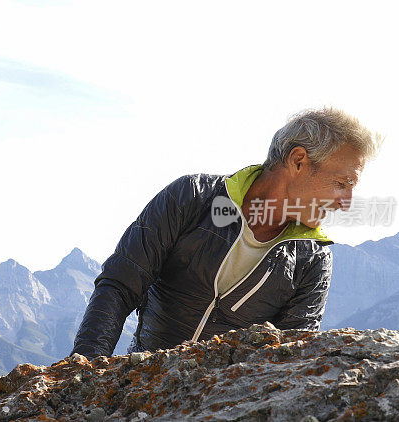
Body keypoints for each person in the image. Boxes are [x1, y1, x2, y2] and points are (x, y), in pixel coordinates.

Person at [71, 108, 381, 358]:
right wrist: (86, 372)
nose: (346, 203)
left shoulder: (313, 259)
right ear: (298, 160)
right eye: (342, 184)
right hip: (143, 388)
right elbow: (119, 285)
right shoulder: (190, 197)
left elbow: (293, 358)